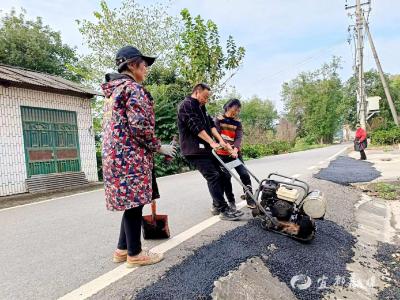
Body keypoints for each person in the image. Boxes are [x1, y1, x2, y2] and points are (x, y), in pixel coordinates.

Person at [101, 46, 176, 268]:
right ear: (132, 65)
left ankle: (122, 249)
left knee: (131, 203)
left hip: (114, 156)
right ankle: (135, 254)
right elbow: (140, 126)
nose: (146, 69)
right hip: (130, 156)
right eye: (144, 64)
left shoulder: (113, 92)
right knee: (135, 203)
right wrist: (158, 147)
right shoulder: (133, 89)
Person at [177, 83, 244, 221]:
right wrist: (212, 142)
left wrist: (221, 142)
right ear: (197, 91)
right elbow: (196, 127)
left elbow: (211, 126)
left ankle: (216, 205)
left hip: (206, 148)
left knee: (222, 173)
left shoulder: (202, 107)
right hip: (194, 150)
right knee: (213, 176)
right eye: (205, 96)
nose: (206, 100)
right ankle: (223, 210)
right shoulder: (186, 105)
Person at [214, 99, 257, 210]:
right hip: (222, 154)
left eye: (238, 110)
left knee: (244, 174)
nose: (237, 111)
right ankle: (231, 201)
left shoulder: (237, 122)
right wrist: (229, 149)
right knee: (226, 178)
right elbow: (218, 136)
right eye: (235, 109)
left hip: (235, 153)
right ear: (228, 107)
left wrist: (235, 150)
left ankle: (250, 199)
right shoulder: (218, 120)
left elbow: (238, 137)